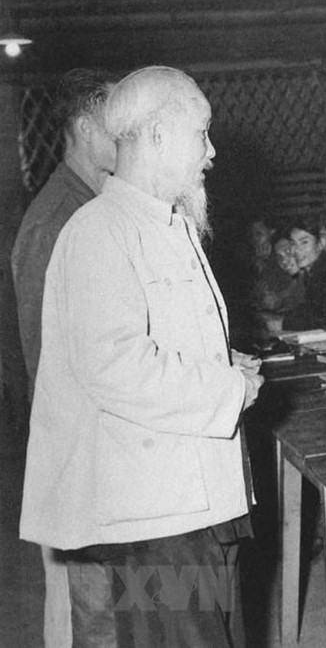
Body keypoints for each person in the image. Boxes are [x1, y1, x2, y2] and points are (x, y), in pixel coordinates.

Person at [19, 66, 264, 646]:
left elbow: (163, 339)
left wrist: (224, 363)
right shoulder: (98, 231)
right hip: (157, 522)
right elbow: (113, 365)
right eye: (201, 133)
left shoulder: (168, 224)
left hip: (196, 507)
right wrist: (227, 389)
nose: (211, 151)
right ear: (156, 136)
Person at [10, 68, 115, 648]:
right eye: (113, 125)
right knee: (93, 615)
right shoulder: (59, 220)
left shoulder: (89, 205)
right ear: (82, 126)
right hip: (79, 448)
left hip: (95, 446)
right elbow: (51, 356)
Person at [283, 215, 326, 330]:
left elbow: (324, 320)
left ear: (320, 243)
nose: (296, 250)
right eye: (293, 243)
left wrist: (282, 323)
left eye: (304, 242)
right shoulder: (311, 272)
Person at [253, 231, 306, 335]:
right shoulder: (295, 281)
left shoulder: (315, 279)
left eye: (288, 252)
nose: (284, 261)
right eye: (279, 257)